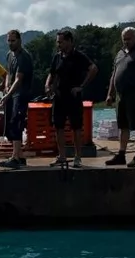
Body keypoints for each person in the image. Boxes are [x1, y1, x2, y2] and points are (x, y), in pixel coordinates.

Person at [43, 29, 97, 168]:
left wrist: (82, 86)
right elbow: (52, 73)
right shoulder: (57, 56)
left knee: (76, 128)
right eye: (57, 42)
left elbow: (93, 69)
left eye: (61, 42)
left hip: (73, 97)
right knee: (58, 126)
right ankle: (61, 156)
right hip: (59, 97)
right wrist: (47, 85)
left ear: (69, 41)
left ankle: (78, 157)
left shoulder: (79, 56)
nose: (58, 45)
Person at [104, 27, 135, 168]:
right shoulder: (119, 53)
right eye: (124, 39)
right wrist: (110, 94)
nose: (126, 42)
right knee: (123, 126)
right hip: (121, 95)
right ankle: (121, 154)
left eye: (129, 39)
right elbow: (114, 75)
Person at [0, 29, 34, 169]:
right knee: (9, 124)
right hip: (11, 93)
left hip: (21, 93)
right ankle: (20, 155)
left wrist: (8, 94)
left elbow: (19, 79)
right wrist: (6, 86)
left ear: (19, 40)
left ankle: (15, 157)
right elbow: (9, 73)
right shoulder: (9, 55)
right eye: (9, 40)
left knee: (16, 122)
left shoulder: (24, 57)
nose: (10, 43)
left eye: (13, 40)